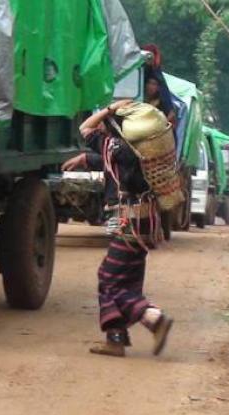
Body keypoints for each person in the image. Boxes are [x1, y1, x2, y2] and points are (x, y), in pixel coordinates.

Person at [62, 100, 174, 358]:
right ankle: (116, 339)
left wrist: (110, 109)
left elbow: (85, 129)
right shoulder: (141, 150)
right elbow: (110, 162)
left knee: (108, 278)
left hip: (127, 221)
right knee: (128, 282)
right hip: (146, 220)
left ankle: (153, 318)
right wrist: (84, 158)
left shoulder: (116, 146)